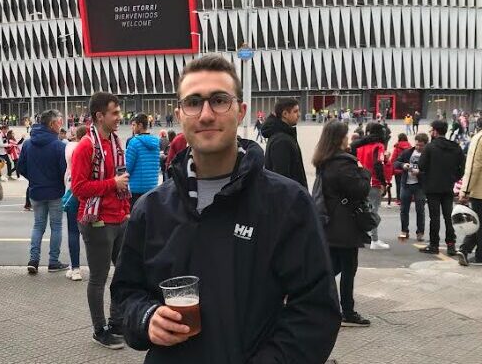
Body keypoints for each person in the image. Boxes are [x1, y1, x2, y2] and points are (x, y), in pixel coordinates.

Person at [111, 55, 340, 363]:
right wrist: (146, 317)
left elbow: (316, 311)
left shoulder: (288, 204)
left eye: (219, 100)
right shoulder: (151, 210)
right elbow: (126, 294)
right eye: (193, 102)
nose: (206, 114)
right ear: (179, 114)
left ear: (240, 111)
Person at [70, 92, 131, 350]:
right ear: (99, 116)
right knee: (98, 278)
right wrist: (112, 184)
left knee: (124, 273)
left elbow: (123, 180)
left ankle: (117, 323)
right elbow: (78, 188)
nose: (119, 117)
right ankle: (99, 329)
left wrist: (126, 208)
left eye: (119, 112)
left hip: (119, 217)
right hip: (96, 220)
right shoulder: (86, 146)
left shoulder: (116, 143)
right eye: (114, 113)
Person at [314, 119, 372, 327]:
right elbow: (360, 189)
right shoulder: (344, 164)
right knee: (348, 269)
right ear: (339, 138)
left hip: (330, 224)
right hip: (344, 226)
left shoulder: (324, 160)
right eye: (345, 135)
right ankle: (347, 311)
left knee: (332, 268)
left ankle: (319, 303)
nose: (348, 138)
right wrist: (364, 172)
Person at [18, 109, 68, 274]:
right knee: (56, 226)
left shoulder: (27, 143)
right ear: (52, 124)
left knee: (38, 225)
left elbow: (21, 168)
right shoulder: (59, 146)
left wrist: (34, 179)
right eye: (60, 122)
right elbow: (64, 171)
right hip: (55, 191)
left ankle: (34, 259)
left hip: (36, 191)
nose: (61, 125)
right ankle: (53, 261)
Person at [418, 120, 465, 255]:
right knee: (448, 216)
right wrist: (454, 178)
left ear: (435, 131)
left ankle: (434, 245)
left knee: (435, 217)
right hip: (448, 186)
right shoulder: (455, 147)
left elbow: (421, 166)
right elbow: (462, 167)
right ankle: (451, 244)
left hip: (432, 187)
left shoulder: (430, 147)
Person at [351, 122, 389, 250]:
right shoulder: (378, 146)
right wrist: (384, 182)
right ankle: (374, 239)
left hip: (360, 180)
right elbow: (378, 164)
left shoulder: (360, 146)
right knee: (374, 210)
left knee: (362, 209)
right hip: (373, 181)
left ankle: (362, 236)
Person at [457, 116, 482, 266]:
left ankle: (480, 255)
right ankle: (466, 249)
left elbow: (473, 167)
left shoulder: (480, 138)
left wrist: (465, 190)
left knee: (479, 223)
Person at [261, 98, 308, 188]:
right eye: (295, 111)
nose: (299, 114)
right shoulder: (282, 141)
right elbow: (281, 178)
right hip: (291, 198)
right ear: (285, 114)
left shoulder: (285, 135)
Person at [393, 134, 428, 242]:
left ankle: (420, 232)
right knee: (404, 209)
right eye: (417, 145)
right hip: (406, 184)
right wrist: (403, 165)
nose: (418, 147)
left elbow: (430, 171)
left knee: (420, 209)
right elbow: (396, 163)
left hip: (419, 185)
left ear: (425, 145)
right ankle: (404, 230)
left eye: (421, 146)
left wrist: (419, 173)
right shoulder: (408, 152)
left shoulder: (428, 155)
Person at [63, 125, 87, 281]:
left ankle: (76, 268)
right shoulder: (91, 148)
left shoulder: (70, 147)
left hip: (72, 191)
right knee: (92, 233)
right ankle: (96, 266)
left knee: (73, 231)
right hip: (88, 193)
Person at [126, 113, 160, 207]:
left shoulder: (134, 142)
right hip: (152, 187)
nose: (132, 128)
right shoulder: (156, 142)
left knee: (135, 218)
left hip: (136, 189)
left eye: (133, 125)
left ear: (140, 125)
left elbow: (128, 167)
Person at [390, 133, 412, 205]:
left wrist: (392, 169)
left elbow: (393, 159)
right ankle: (408, 198)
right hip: (408, 169)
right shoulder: (410, 147)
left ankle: (399, 199)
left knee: (399, 184)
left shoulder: (397, 147)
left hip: (398, 170)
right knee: (408, 184)